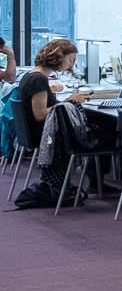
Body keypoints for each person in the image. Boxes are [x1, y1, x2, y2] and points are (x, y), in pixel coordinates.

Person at [11, 39, 97, 207]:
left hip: (36, 133)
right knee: (97, 133)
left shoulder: (33, 75)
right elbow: (41, 114)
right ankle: (97, 182)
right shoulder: (38, 80)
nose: (72, 64)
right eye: (70, 59)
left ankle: (93, 182)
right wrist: (70, 101)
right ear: (58, 57)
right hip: (45, 135)